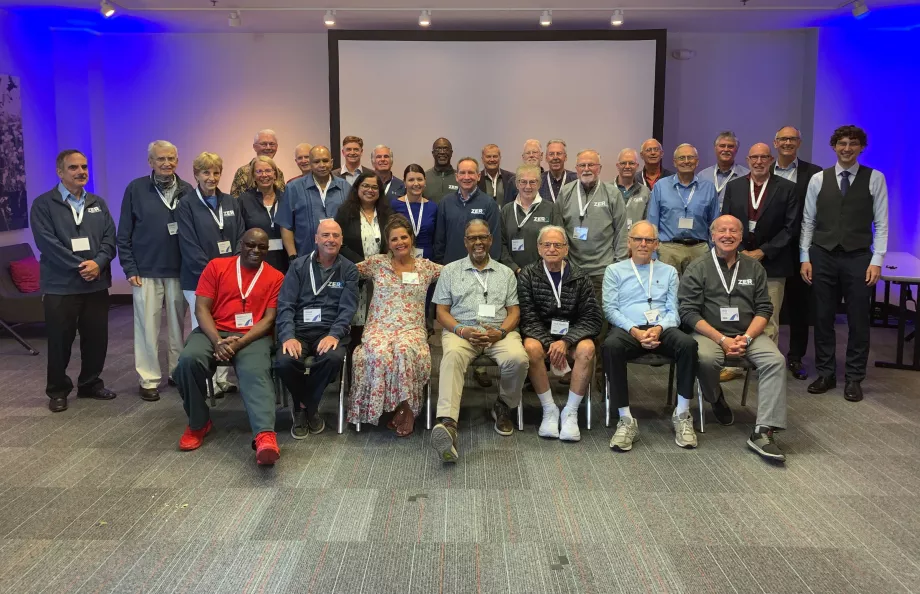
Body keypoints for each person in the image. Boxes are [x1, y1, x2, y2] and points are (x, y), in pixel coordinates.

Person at [678, 215, 788, 462]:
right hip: (710, 333)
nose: (727, 235)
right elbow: (688, 312)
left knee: (775, 360)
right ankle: (715, 397)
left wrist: (747, 338)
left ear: (741, 236)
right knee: (704, 358)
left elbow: (764, 309)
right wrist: (722, 340)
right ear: (712, 235)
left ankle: (763, 431)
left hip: (748, 332)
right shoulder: (698, 267)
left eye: (733, 231)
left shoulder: (754, 267)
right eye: (722, 230)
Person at [173, 229, 285, 465]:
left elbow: (269, 319)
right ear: (240, 244)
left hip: (252, 335)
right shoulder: (216, 266)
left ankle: (265, 436)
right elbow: (201, 308)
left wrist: (240, 343)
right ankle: (198, 422)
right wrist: (217, 341)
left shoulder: (276, 277)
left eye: (262, 247)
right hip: (214, 331)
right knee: (187, 361)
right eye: (250, 245)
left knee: (256, 372)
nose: (255, 251)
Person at [800, 125, 888, 402]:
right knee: (823, 317)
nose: (847, 148)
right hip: (822, 254)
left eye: (852, 144)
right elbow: (808, 221)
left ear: (861, 147)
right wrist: (805, 256)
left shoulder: (875, 178)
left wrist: (877, 259)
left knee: (859, 319)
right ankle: (825, 373)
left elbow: (882, 223)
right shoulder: (818, 179)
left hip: (859, 256)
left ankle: (853, 377)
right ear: (834, 147)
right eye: (842, 143)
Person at [431, 220, 529, 462]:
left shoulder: (505, 273)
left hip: (498, 332)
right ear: (465, 242)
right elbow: (441, 312)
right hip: (462, 332)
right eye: (473, 238)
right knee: (451, 357)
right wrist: (461, 330)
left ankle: (504, 405)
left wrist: (502, 333)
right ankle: (448, 423)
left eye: (483, 237)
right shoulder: (450, 271)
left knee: (518, 358)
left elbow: (514, 312)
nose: (478, 242)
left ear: (490, 240)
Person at [30, 149, 117, 412]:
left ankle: (90, 383)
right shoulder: (44, 204)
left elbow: (109, 239)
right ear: (60, 172)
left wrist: (98, 263)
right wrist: (81, 266)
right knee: (60, 340)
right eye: (73, 168)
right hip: (61, 286)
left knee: (96, 338)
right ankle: (57, 390)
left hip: (96, 284)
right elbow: (48, 244)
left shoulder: (97, 203)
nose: (81, 172)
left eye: (84, 167)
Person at [602, 221, 699, 452]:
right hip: (629, 329)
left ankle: (683, 414)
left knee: (688, 344)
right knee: (610, 346)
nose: (643, 244)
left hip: (661, 329)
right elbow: (610, 309)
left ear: (656, 244)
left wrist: (658, 329)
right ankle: (625, 418)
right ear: (629, 242)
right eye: (638, 239)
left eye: (648, 240)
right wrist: (635, 331)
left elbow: (674, 310)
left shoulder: (669, 271)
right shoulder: (614, 271)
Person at [348, 215, 442, 434]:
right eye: (394, 239)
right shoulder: (376, 263)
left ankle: (407, 408)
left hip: (411, 329)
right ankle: (384, 407)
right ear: (388, 243)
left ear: (412, 239)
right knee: (378, 353)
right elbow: (346, 270)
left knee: (404, 350)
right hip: (379, 327)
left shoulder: (426, 267)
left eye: (404, 237)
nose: (400, 242)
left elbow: (456, 274)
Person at [117, 140, 193, 402]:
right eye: (161, 159)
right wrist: (129, 267)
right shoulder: (136, 189)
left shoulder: (187, 189)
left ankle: (177, 371)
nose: (167, 163)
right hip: (145, 271)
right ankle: (148, 379)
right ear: (150, 162)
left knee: (177, 328)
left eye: (171, 158)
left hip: (178, 270)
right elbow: (123, 232)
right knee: (147, 327)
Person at [274, 220, 359, 437]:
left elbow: (347, 309)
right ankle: (309, 407)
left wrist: (334, 334)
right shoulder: (298, 266)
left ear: (341, 240)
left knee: (332, 359)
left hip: (329, 331)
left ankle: (303, 407)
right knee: (284, 361)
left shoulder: (349, 270)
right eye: (325, 235)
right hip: (299, 331)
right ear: (316, 238)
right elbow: (285, 305)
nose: (330, 239)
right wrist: (287, 336)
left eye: (335, 235)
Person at [518, 226, 602, 442]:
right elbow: (527, 317)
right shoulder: (527, 275)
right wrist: (549, 343)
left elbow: (591, 318)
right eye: (547, 244)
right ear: (539, 248)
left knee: (588, 348)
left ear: (566, 249)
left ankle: (570, 411)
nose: (552, 249)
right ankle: (549, 410)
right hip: (541, 335)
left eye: (558, 245)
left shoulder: (580, 277)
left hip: (571, 336)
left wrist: (566, 341)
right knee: (530, 348)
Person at [177, 152, 244, 395]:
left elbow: (240, 238)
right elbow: (189, 244)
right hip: (199, 279)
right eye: (206, 172)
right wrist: (214, 275)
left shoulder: (230, 202)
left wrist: (233, 270)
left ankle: (222, 378)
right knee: (205, 329)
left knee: (226, 325)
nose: (212, 177)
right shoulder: (186, 205)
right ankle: (208, 383)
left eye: (216, 172)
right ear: (195, 175)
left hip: (230, 278)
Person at [721, 143, 796, 346]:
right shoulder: (734, 186)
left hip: (773, 262)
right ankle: (736, 363)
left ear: (771, 160)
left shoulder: (787, 188)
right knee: (737, 313)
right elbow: (725, 222)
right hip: (738, 261)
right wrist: (740, 251)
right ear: (747, 160)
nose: (759, 162)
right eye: (754, 157)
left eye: (764, 157)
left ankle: (765, 367)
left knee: (769, 317)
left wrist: (763, 251)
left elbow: (790, 228)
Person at [773, 126, 823, 381]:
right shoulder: (765, 170)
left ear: (799, 142)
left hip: (802, 250)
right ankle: (767, 356)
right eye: (783, 139)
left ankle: (795, 357)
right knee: (767, 305)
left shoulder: (814, 174)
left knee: (800, 306)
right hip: (772, 249)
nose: (787, 143)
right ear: (775, 143)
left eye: (792, 139)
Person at [555, 149, 629, 307]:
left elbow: (621, 231)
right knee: (573, 312)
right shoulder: (566, 192)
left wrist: (619, 265)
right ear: (576, 168)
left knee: (599, 315)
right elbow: (558, 231)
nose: (586, 169)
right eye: (582, 165)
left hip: (603, 269)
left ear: (599, 168)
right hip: (572, 269)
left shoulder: (612, 193)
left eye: (591, 165)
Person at [334, 172, 392, 346]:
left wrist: (377, 266)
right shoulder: (345, 212)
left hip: (380, 278)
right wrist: (363, 265)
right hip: (353, 274)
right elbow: (339, 243)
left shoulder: (387, 213)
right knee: (356, 327)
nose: (370, 190)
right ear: (357, 188)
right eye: (365, 185)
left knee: (378, 325)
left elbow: (391, 241)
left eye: (374, 187)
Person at [647, 143, 719, 274]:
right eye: (681, 158)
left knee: (698, 291)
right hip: (668, 250)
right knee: (667, 291)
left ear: (697, 162)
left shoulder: (708, 188)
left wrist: (713, 251)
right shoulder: (661, 186)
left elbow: (715, 224)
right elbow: (652, 223)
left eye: (690, 157)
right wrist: (653, 253)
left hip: (699, 250)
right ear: (674, 162)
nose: (686, 161)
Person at [277, 145, 351, 261]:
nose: (322, 165)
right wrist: (293, 256)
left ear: (331, 163)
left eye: (325, 161)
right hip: (304, 257)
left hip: (340, 258)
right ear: (310, 164)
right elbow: (286, 225)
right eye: (317, 162)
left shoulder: (345, 187)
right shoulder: (293, 188)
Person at [432, 157, 502, 265]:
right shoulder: (445, 202)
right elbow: (439, 241)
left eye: (471, 173)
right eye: (462, 173)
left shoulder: (489, 204)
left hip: (480, 268)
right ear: (456, 176)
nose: (466, 177)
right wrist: (441, 265)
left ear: (478, 176)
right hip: (451, 267)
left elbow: (495, 241)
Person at [498, 164, 562, 273]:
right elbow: (501, 244)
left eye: (532, 182)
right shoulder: (507, 210)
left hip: (544, 274)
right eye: (523, 182)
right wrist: (515, 269)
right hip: (513, 274)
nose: (528, 186)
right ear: (517, 184)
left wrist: (542, 269)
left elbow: (558, 242)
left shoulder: (551, 209)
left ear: (539, 184)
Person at [238, 156, 289, 273]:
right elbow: (240, 233)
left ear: (275, 174)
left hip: (285, 261)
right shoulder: (243, 200)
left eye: (268, 170)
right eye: (259, 171)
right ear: (253, 176)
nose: (264, 175)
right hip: (255, 261)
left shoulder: (287, 198)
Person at [391, 164, 438, 259]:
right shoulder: (394, 205)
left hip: (428, 261)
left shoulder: (433, 207)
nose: (416, 183)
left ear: (425, 181)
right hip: (401, 258)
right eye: (411, 180)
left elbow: (437, 239)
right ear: (404, 182)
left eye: (420, 179)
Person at [698, 131, 750, 209]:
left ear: (736, 150)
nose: (726, 149)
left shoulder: (747, 175)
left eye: (730, 146)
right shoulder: (702, 176)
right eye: (722, 146)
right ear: (715, 149)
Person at [230, 129, 285, 198]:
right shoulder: (242, 172)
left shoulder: (279, 173)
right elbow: (235, 203)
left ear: (277, 147)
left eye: (272, 144)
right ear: (255, 147)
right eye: (264, 144)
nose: (268, 147)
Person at [615, 148, 652, 228]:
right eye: (623, 163)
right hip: (612, 239)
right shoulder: (607, 189)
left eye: (631, 163)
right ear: (617, 166)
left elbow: (647, 222)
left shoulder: (645, 192)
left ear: (637, 166)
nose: (627, 166)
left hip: (636, 238)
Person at [540, 139, 577, 203]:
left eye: (559, 153)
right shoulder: (538, 181)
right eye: (551, 154)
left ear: (565, 157)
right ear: (546, 158)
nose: (555, 157)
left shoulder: (576, 180)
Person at [424, 137, 458, 202]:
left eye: (445, 149)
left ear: (451, 153)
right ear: (433, 153)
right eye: (438, 149)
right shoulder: (424, 178)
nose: (442, 152)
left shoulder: (460, 178)